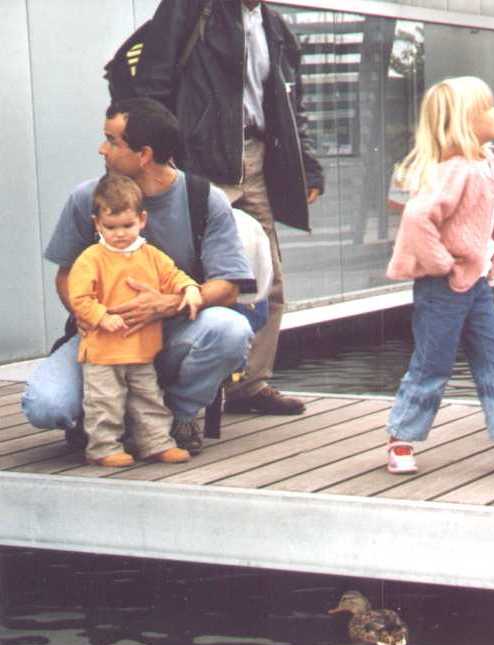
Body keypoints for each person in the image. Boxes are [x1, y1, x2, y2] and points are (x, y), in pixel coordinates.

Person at [22, 97, 254, 456]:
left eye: (112, 141)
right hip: (103, 338)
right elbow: (65, 275)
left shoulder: (204, 199)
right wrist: (88, 314)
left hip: (172, 335)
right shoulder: (87, 198)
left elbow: (228, 286)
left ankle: (177, 415)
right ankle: (110, 417)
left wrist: (168, 304)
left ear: (144, 154)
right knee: (44, 406)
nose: (102, 149)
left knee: (232, 329)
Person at [131, 0, 325, 415]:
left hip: (255, 158)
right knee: (184, 272)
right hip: (198, 161)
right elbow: (151, 86)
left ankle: (249, 384)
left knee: (267, 277)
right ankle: (162, 383)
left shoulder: (275, 25)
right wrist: (163, 158)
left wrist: (307, 165)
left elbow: (293, 107)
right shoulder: (190, 8)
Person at [385, 76, 494, 474]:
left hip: (475, 284)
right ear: (467, 120)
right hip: (442, 287)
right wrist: (443, 264)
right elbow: (416, 218)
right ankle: (402, 437)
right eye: (488, 108)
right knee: (433, 362)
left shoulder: (486, 162)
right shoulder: (455, 170)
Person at [68, 173, 202, 467]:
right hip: (103, 352)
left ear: (142, 220)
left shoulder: (151, 255)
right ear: (97, 224)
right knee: (104, 401)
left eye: (127, 225)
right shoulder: (91, 258)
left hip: (141, 349)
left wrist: (190, 288)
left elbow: (173, 275)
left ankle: (156, 443)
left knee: (149, 399)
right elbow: (79, 297)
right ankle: (103, 447)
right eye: (111, 227)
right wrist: (101, 316)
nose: (119, 234)